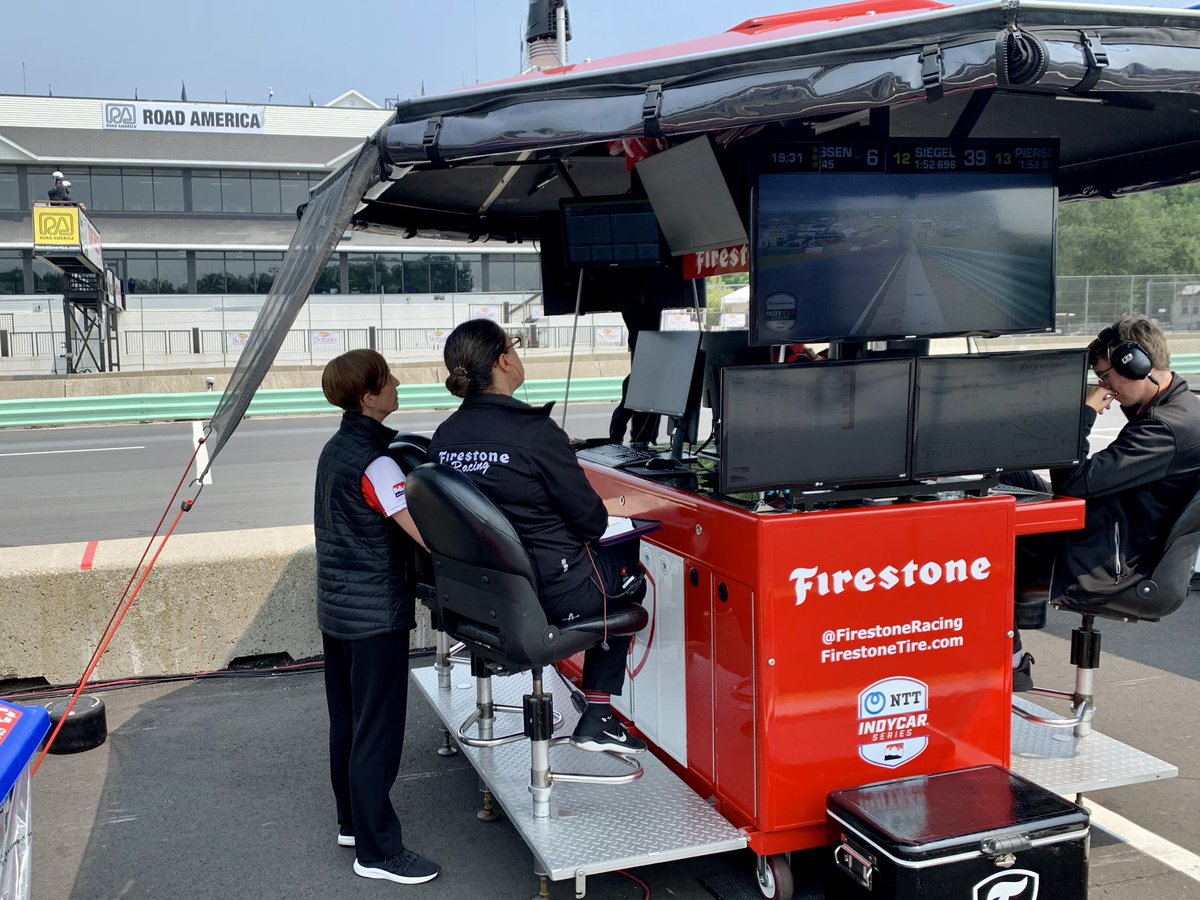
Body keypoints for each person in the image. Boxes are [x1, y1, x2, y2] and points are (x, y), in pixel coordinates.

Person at [430, 318, 648, 754]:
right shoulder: (536, 432)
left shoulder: (443, 438)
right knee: (629, 578)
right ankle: (600, 714)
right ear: (504, 360)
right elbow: (593, 523)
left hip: (480, 599)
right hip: (551, 596)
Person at [1010, 315, 1200, 690]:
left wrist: (1085, 413)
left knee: (996, 542)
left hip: (1119, 561)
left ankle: (1011, 657)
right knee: (1014, 481)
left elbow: (1077, 482)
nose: (1103, 386)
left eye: (1106, 376)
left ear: (1136, 365)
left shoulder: (1165, 428)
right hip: (1119, 529)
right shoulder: (1178, 408)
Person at [313, 349, 441, 886]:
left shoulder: (336, 448)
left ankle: (351, 822)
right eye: (387, 380)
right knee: (378, 731)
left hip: (337, 610)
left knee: (347, 721)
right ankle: (379, 851)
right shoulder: (378, 462)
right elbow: (422, 533)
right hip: (375, 616)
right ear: (368, 397)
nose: (397, 385)